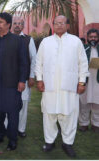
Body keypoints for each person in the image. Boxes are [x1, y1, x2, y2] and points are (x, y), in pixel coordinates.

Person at [35, 15, 89, 157]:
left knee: (69, 115)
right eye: (56, 23)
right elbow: (38, 63)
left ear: (67, 26)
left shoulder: (75, 41)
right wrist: (39, 80)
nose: (59, 25)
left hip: (69, 86)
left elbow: (83, 63)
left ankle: (67, 143)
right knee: (49, 115)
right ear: (53, 25)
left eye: (62, 23)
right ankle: (49, 141)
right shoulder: (46, 42)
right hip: (50, 86)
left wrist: (82, 82)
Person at [0, 12, 28, 151]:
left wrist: (22, 80)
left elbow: (24, 63)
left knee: (12, 113)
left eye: (1, 22)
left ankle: (12, 139)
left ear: (8, 24)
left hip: (12, 85)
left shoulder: (17, 40)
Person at [10, 16, 37, 137]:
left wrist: (31, 76)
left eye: (19, 23)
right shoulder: (6, 38)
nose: (17, 25)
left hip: (24, 78)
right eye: (15, 23)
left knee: (23, 104)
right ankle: (8, 127)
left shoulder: (28, 39)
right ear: (11, 25)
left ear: (23, 26)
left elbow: (34, 59)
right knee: (8, 104)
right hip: (9, 79)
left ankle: (21, 129)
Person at [79, 29, 99, 132]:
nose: (93, 39)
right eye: (91, 37)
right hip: (85, 80)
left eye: (95, 37)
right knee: (84, 102)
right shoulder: (84, 48)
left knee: (97, 103)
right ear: (87, 38)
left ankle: (96, 124)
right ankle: (84, 123)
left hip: (97, 81)